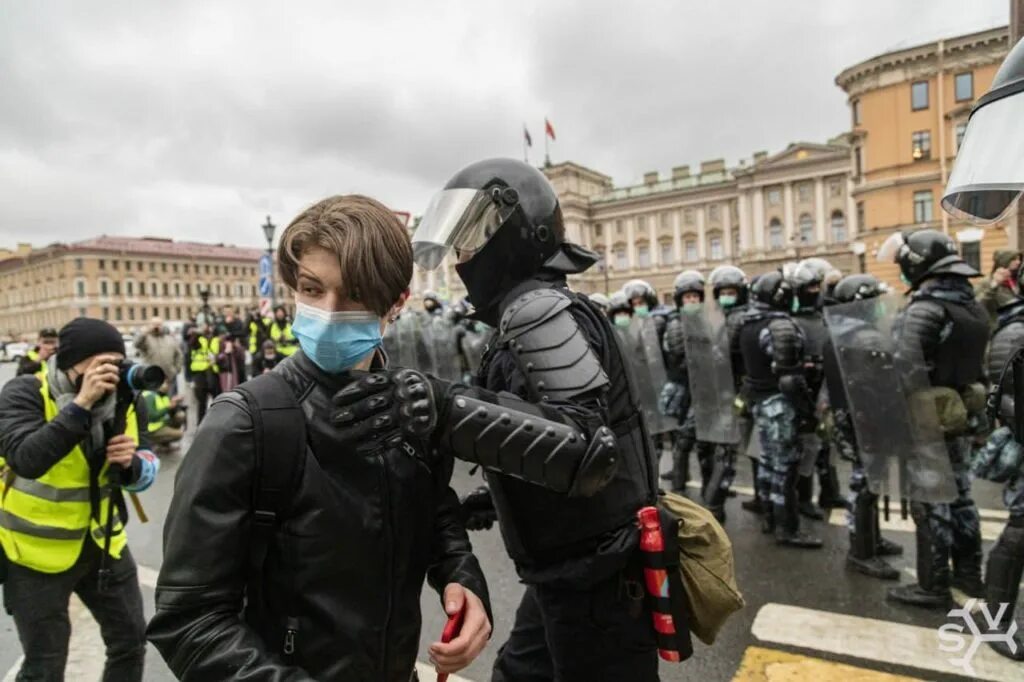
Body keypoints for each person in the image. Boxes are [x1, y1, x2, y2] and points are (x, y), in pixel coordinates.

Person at [148, 194, 617, 680]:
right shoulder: (243, 422)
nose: (328, 312)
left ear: (396, 304)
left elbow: (436, 518)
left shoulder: (412, 408)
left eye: (354, 295)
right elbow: (189, 620)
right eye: (312, 289)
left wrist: (463, 579)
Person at [411, 158, 662, 680]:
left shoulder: (536, 311)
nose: (462, 258)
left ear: (515, 230)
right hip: (573, 571)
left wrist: (443, 407)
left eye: (473, 239)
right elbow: (554, 430)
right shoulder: (532, 308)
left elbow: (584, 448)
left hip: (597, 580)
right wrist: (495, 498)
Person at [0, 318, 160, 681]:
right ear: (70, 363)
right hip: (34, 553)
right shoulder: (25, 392)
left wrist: (131, 464)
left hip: (103, 542)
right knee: (45, 664)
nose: (110, 374)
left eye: (116, 363)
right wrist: (82, 404)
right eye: (100, 364)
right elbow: (27, 459)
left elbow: (148, 464)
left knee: (131, 642)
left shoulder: (127, 400)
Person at [878, 229, 989, 607]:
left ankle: (933, 584)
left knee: (930, 501)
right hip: (959, 417)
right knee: (961, 497)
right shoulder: (971, 307)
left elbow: (906, 369)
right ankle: (970, 574)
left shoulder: (925, 309)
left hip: (924, 421)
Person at [821, 274, 904, 580]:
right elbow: (883, 384)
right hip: (868, 421)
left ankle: (871, 540)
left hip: (852, 419)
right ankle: (861, 551)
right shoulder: (864, 337)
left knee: (869, 483)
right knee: (866, 486)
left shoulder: (839, 333)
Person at [738, 271, 823, 548]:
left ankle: (769, 518)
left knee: (766, 462)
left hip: (759, 402)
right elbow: (788, 377)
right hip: (779, 404)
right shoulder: (779, 325)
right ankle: (788, 527)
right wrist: (807, 409)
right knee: (785, 467)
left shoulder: (746, 323)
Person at [789, 259, 845, 519]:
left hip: (825, 385)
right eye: (809, 287)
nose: (814, 292)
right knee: (808, 447)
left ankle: (829, 492)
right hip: (804, 390)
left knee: (827, 444)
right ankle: (803, 498)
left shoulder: (824, 316)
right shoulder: (792, 322)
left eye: (817, 286)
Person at [135, 317, 183, 397]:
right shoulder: (146, 339)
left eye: (159, 324)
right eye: (154, 324)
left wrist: (176, 369)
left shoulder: (170, 339)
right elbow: (137, 344)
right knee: (152, 405)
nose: (157, 326)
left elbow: (178, 355)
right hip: (151, 379)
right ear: (150, 326)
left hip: (169, 378)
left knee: (171, 403)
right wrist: (144, 333)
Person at [976, 250, 1022, 326]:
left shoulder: (1015, 281)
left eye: (1019, 259)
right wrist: (994, 285)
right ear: (1004, 261)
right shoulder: (986, 282)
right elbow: (977, 306)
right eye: (1014, 259)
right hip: (996, 330)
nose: (1018, 262)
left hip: (1015, 329)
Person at [186, 323, 220, 426]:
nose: (206, 328)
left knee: (217, 399)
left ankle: (218, 422)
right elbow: (190, 348)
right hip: (200, 374)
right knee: (202, 402)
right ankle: (201, 424)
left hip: (212, 372)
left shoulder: (215, 339)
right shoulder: (197, 338)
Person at [142, 381, 185, 450]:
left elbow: (168, 412)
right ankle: (152, 441)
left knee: (180, 416)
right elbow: (152, 417)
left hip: (161, 423)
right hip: (152, 430)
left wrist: (175, 403)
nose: (166, 386)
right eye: (163, 383)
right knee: (179, 434)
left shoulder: (163, 395)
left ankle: (164, 444)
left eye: (167, 383)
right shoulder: (149, 396)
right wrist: (168, 407)